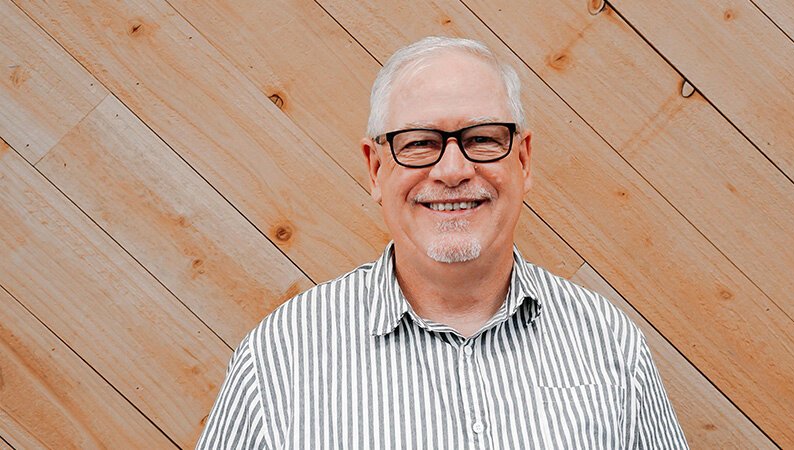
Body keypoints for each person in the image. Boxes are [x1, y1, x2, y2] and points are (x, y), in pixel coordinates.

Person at [197, 36, 687, 449]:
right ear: (375, 168)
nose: (453, 170)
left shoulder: (608, 342)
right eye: (418, 143)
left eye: (483, 138)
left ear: (523, 160)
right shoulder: (280, 358)